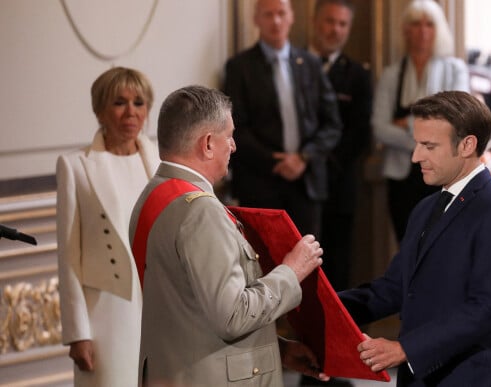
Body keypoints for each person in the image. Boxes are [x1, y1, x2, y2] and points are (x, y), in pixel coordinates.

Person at [129, 85, 330, 386]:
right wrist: (292, 270)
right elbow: (231, 315)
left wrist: (277, 348)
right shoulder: (201, 212)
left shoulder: (153, 194)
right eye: (229, 136)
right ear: (208, 144)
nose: (234, 146)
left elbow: (192, 307)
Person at [339, 91, 491, 386]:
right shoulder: (426, 207)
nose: (416, 156)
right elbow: (394, 289)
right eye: (417, 144)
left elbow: (487, 309)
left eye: (429, 146)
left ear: (467, 145)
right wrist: (320, 303)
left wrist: (406, 349)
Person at [56, 67, 159, 386]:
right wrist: (78, 334)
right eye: (119, 102)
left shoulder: (161, 161)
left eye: (139, 103)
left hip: (160, 308)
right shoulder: (75, 167)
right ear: (100, 109)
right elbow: (69, 257)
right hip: (107, 316)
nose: (131, 111)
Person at [223, 0, 342, 238]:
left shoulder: (310, 64)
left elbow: (332, 124)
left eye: (281, 13)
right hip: (260, 184)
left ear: (291, 17)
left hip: (306, 185)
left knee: (307, 261)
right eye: (268, 14)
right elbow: (235, 127)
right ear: (256, 19)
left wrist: (303, 157)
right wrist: (272, 160)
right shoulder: (239, 67)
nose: (275, 21)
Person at [372, 0, 470, 243]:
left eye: (429, 24)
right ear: (406, 29)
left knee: (440, 250)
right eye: (416, 24)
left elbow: (457, 122)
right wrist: (429, 137)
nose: (423, 31)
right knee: (406, 247)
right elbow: (379, 127)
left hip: (443, 178)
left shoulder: (454, 70)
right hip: (401, 179)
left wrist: (404, 123)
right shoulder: (391, 74)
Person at [309, 0, 372, 293]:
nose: (335, 29)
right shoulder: (294, 66)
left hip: (339, 184)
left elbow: (359, 133)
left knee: (337, 262)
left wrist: (321, 162)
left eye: (342, 24)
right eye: (329, 21)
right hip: (296, 185)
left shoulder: (358, 75)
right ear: (315, 22)